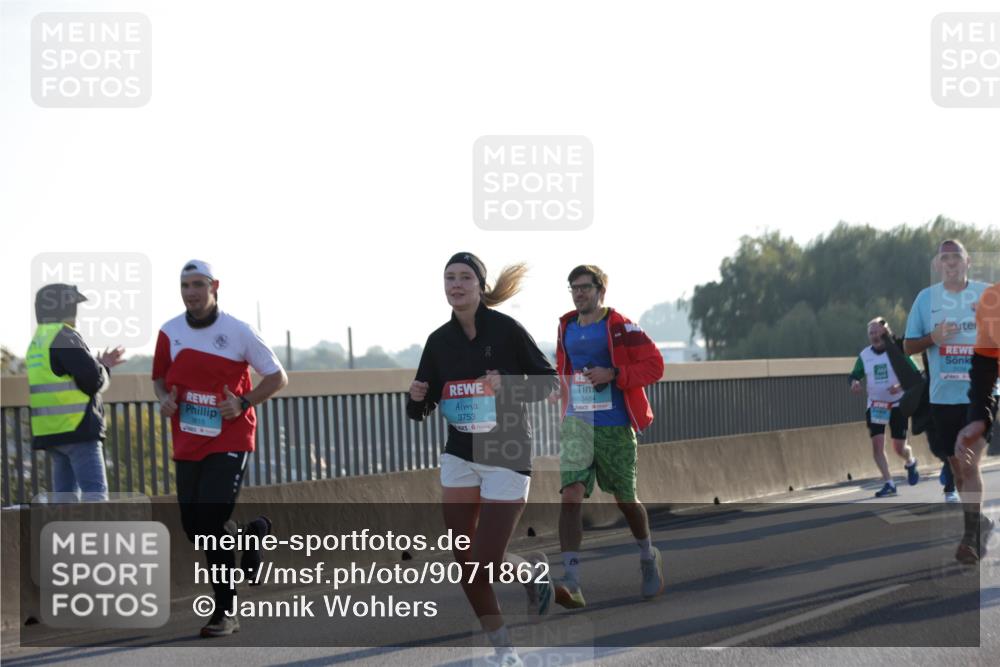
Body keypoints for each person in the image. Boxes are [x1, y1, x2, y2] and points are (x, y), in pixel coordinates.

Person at [406, 253, 557, 667]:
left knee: (484, 565)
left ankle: (529, 573)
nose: (456, 285)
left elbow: (548, 383)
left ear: (480, 286)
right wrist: (416, 398)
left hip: (507, 454)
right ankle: (505, 652)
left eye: (464, 278)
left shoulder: (507, 331)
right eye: (449, 278)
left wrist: (507, 384)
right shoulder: (439, 341)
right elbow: (422, 404)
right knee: (466, 563)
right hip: (460, 455)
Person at [152, 260, 287, 637]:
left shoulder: (239, 331)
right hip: (188, 439)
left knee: (210, 522)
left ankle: (225, 612)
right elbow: (159, 379)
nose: (191, 292)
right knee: (194, 527)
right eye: (184, 286)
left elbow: (277, 376)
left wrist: (243, 402)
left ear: (214, 287)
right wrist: (164, 399)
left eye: (198, 285)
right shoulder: (169, 332)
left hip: (229, 437)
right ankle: (249, 534)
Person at [552, 265, 665, 609]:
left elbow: (655, 366)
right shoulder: (565, 326)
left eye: (585, 287)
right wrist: (558, 387)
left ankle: (648, 555)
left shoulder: (620, 326)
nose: (579, 293)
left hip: (615, 424)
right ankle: (571, 581)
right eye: (573, 288)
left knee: (625, 501)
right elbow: (564, 368)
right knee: (571, 495)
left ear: (601, 290)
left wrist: (614, 373)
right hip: (578, 424)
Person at [905, 240, 992, 504]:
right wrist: (934, 336)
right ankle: (975, 522)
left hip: (979, 394)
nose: (950, 262)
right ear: (937, 265)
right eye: (945, 258)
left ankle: (973, 531)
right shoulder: (925, 298)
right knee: (957, 468)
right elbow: (908, 346)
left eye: (956, 256)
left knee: (970, 463)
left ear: (968, 262)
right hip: (943, 397)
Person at [27, 283, 125, 501]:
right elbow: (92, 380)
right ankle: (96, 536)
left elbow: (63, 372)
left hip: (51, 432)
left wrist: (99, 363)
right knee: (95, 495)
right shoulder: (64, 336)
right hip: (78, 428)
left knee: (64, 498)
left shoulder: (38, 340)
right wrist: (104, 369)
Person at [849, 318, 920, 497]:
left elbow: (917, 375)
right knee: (877, 445)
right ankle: (889, 483)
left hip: (898, 404)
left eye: (878, 332)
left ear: (886, 333)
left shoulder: (898, 350)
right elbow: (854, 375)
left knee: (899, 447)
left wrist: (901, 386)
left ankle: (910, 462)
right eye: (871, 333)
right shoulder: (865, 355)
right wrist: (855, 383)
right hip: (876, 405)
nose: (875, 336)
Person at [955, 281, 999, 564]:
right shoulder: (992, 300)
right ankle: (973, 533)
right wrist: (978, 419)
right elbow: (984, 368)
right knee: (963, 466)